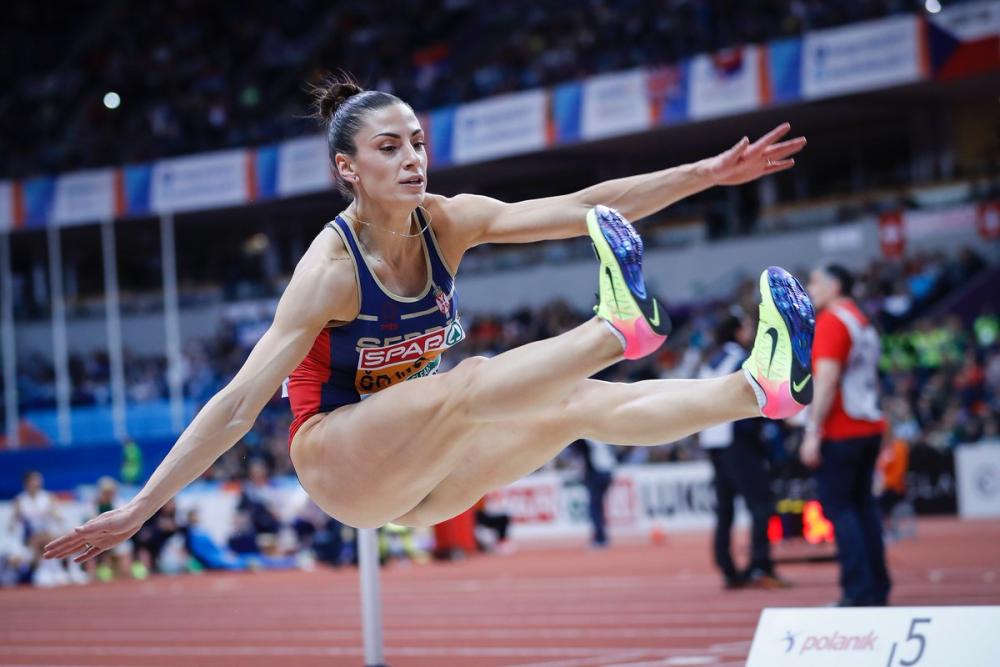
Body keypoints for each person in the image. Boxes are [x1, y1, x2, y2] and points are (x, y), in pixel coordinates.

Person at [44, 74, 812, 565]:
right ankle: (615, 330)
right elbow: (240, 404)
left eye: (416, 140)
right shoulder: (330, 271)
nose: (413, 157)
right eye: (389, 146)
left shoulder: (451, 220)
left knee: (575, 407)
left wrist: (705, 173)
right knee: (468, 381)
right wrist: (143, 506)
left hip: (427, 475)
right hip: (340, 464)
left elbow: (586, 208)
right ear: (349, 168)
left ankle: (758, 387)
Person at [801, 264, 891, 607]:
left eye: (814, 281)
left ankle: (856, 590)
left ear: (835, 285)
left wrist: (812, 430)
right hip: (868, 423)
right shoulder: (862, 320)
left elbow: (826, 381)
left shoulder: (833, 321)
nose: (810, 288)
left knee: (841, 509)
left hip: (843, 428)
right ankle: (877, 587)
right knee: (863, 508)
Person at [699, 313, 787, 589]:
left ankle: (727, 568)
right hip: (738, 440)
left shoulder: (709, 362)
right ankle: (760, 566)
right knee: (761, 505)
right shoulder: (742, 360)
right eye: (747, 326)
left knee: (725, 510)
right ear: (737, 332)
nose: (751, 330)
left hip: (713, 442)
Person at [571, 438, 617, 548]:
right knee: (598, 507)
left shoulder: (585, 440)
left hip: (597, 473)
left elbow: (579, 453)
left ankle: (600, 538)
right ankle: (601, 537)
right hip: (608, 472)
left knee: (595, 508)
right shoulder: (599, 436)